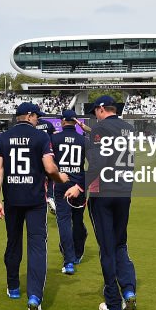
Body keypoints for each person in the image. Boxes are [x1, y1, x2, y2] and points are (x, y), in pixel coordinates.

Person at [0, 102, 68, 310]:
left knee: (13, 242)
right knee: (36, 246)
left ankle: (14, 287)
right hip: (35, 200)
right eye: (36, 116)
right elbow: (49, 167)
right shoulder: (41, 137)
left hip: (12, 198)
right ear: (29, 115)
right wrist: (60, 178)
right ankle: (34, 296)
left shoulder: (3, 138)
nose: (38, 120)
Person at [82, 95, 138, 310]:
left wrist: (80, 187)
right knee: (120, 243)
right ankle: (129, 289)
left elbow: (97, 163)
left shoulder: (100, 128)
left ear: (102, 109)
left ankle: (114, 304)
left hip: (103, 193)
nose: (95, 114)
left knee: (106, 248)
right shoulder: (128, 129)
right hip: (124, 192)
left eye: (96, 110)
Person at [51, 109, 90, 274]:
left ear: (61, 122)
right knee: (78, 220)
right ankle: (77, 252)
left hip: (61, 184)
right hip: (79, 185)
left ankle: (69, 261)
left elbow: (48, 163)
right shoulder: (84, 140)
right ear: (76, 122)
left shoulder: (54, 138)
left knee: (64, 222)